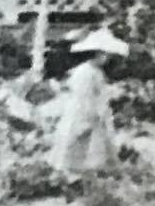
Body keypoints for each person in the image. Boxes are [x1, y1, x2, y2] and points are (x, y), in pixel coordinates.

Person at [49, 25, 128, 175]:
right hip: (83, 111)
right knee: (76, 141)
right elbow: (83, 95)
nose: (107, 59)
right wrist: (93, 113)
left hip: (91, 110)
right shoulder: (85, 71)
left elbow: (98, 93)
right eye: (106, 55)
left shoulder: (95, 72)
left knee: (92, 145)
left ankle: (87, 173)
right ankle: (67, 173)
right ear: (98, 54)